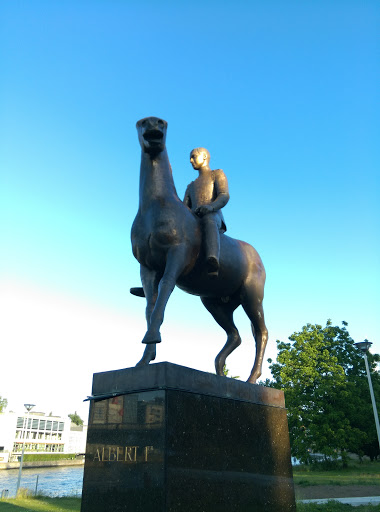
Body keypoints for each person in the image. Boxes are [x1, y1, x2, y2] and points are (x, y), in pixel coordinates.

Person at [183, 147, 230, 277]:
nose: (191, 161)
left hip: (213, 215)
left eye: (193, 156)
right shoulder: (190, 186)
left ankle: (212, 259)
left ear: (204, 157)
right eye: (190, 158)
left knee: (208, 219)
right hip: (194, 219)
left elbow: (224, 195)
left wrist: (211, 207)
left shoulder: (217, 174)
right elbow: (184, 208)